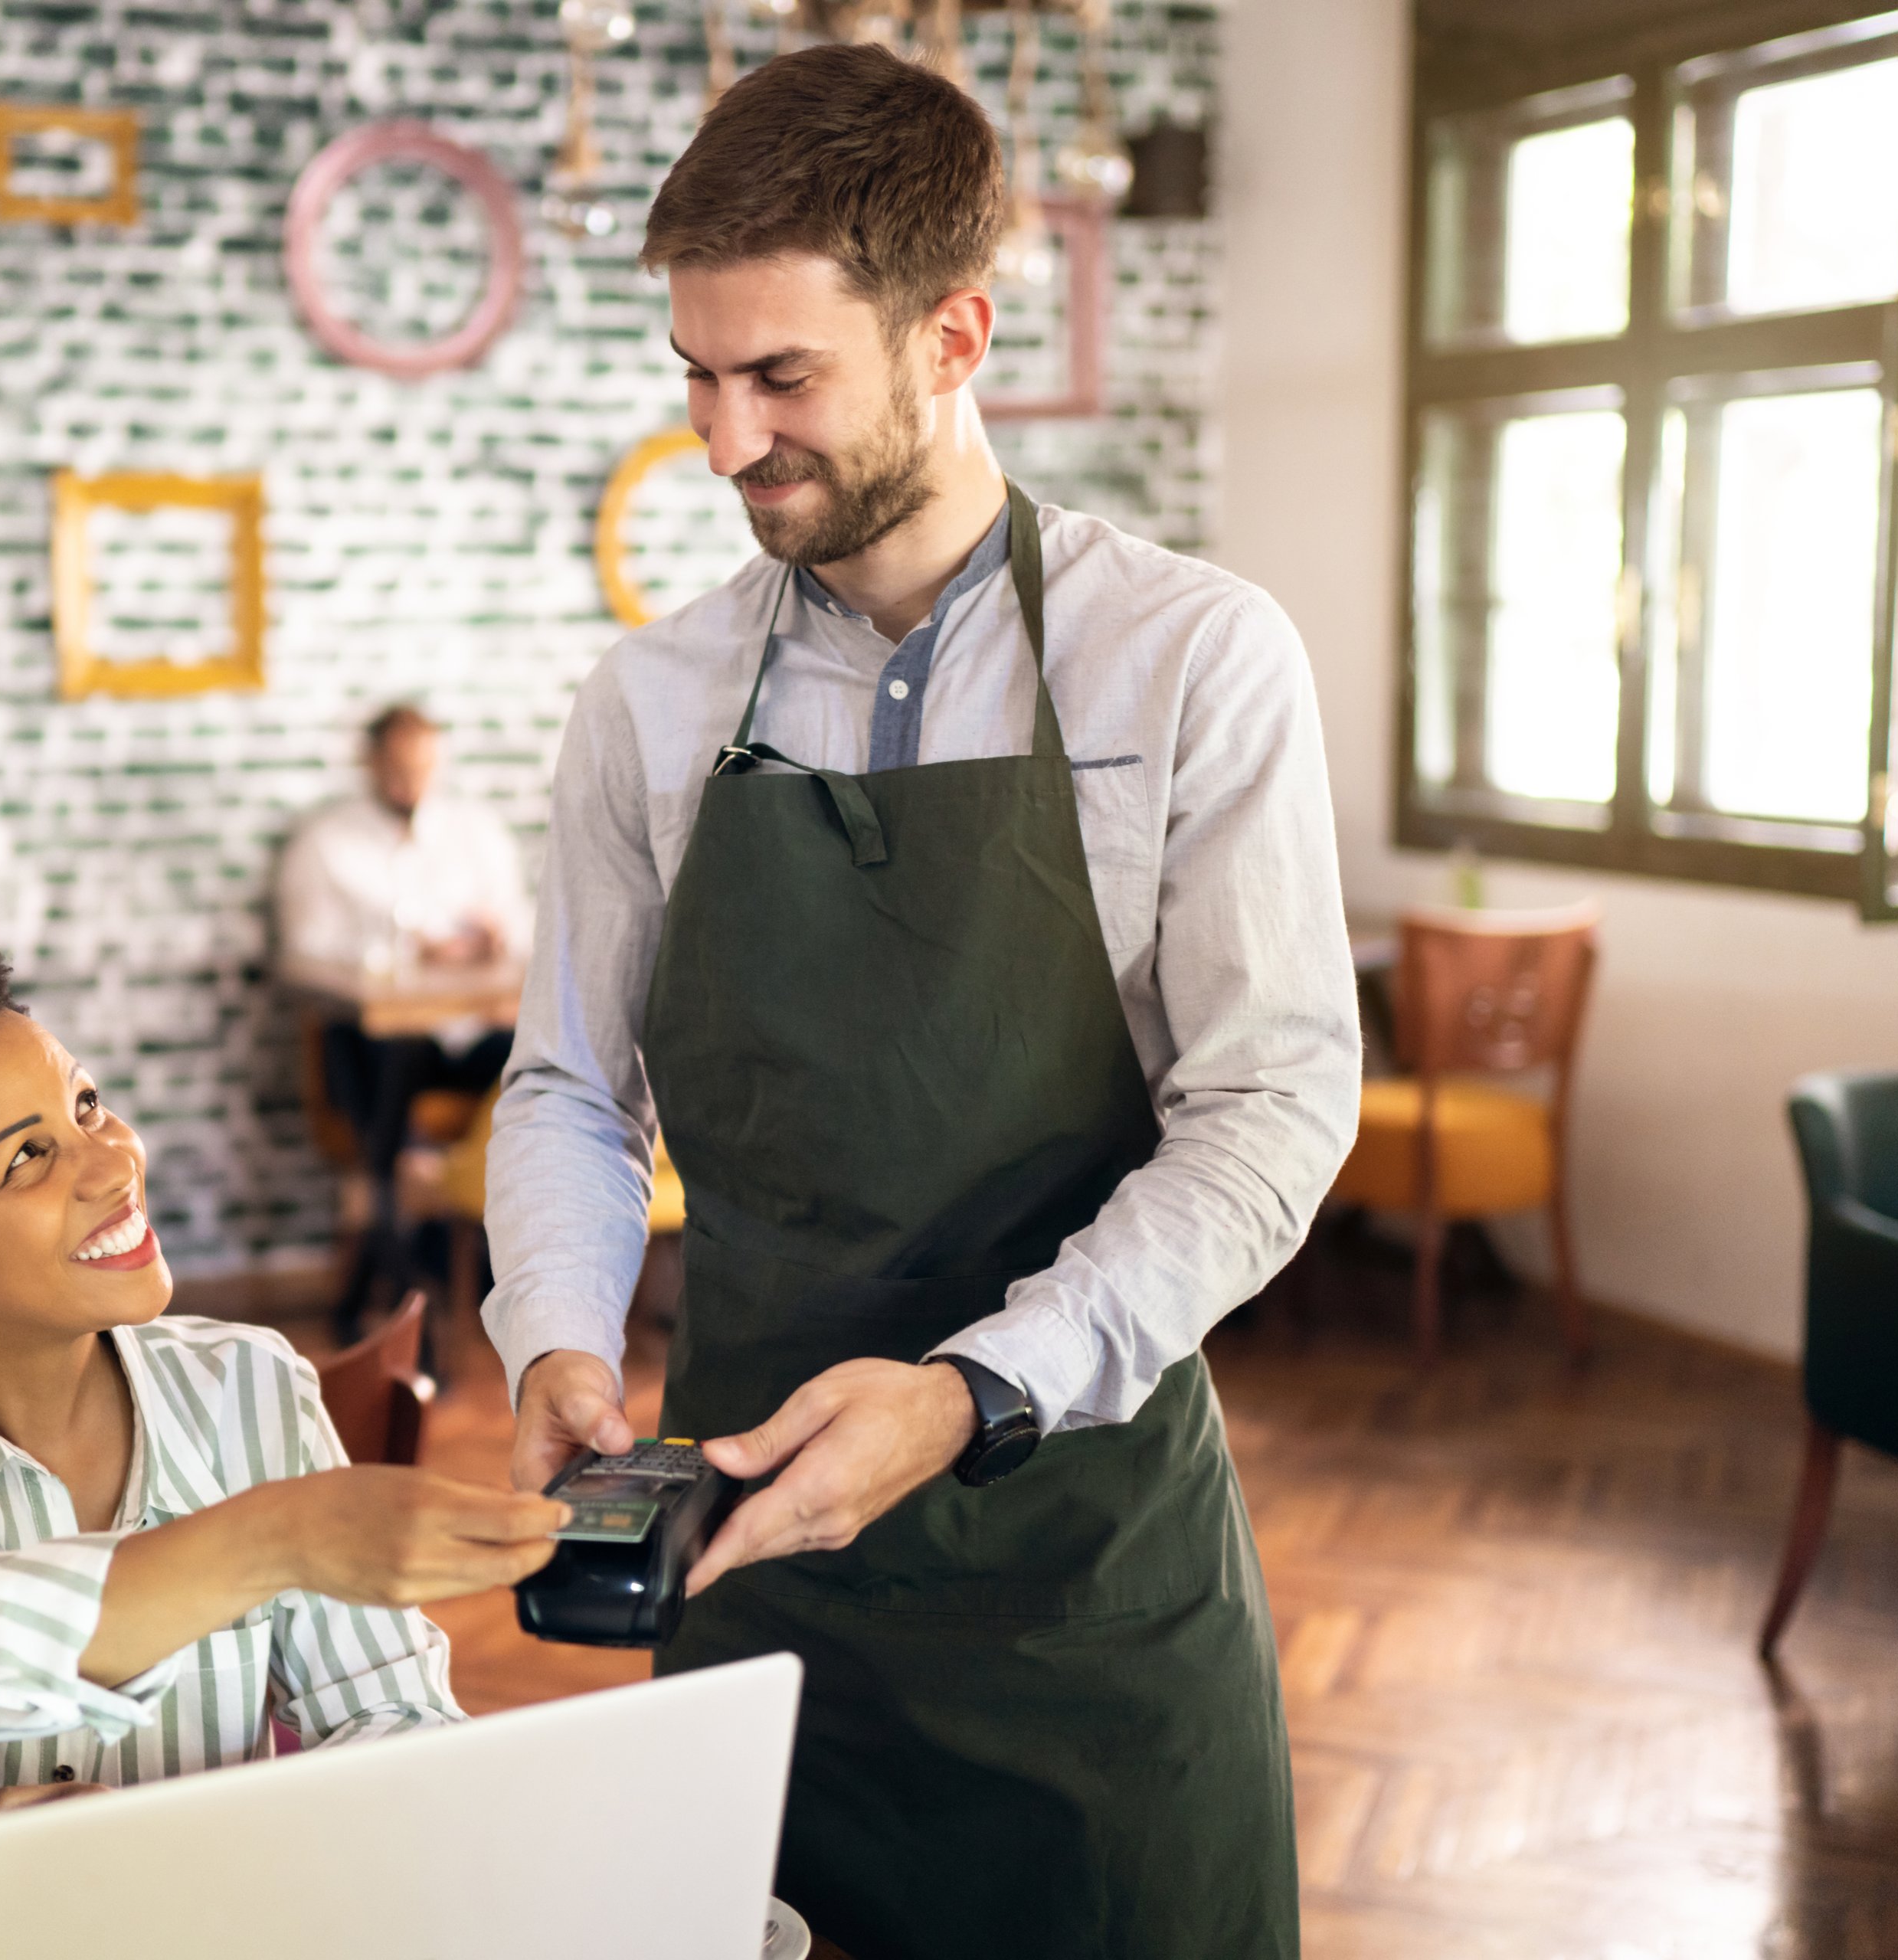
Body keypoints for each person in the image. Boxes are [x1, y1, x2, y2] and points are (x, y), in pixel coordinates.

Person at [486, 45, 1361, 1960]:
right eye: (696, 377)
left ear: (953, 332)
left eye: (778, 377)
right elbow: (567, 1084)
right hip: (744, 1566)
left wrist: (972, 1390)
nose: (722, 441)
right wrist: (556, 1335)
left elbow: (1271, 1111)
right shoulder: (647, 703)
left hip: (1083, 1572)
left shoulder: (1190, 661)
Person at [0, 909, 568, 1920]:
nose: (114, 1163)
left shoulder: (253, 1386)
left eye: (85, 1103)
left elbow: (394, 1715)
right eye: (27, 1156)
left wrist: (180, 1851)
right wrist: (275, 1538)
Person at [277, 704, 532, 1330]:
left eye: (422, 767)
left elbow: (522, 927)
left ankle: (389, 1234)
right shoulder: (326, 844)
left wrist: (493, 941)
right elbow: (303, 955)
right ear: (370, 763)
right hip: (379, 1047)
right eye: (397, 767)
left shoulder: (477, 834)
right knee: (381, 1049)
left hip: (469, 1043)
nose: (410, 781)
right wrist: (408, 946)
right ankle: (405, 1237)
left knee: (536, 1053)